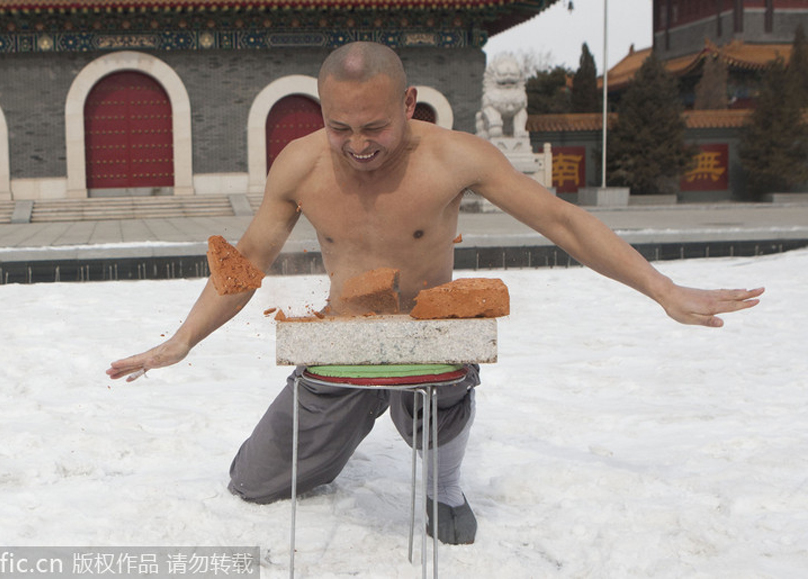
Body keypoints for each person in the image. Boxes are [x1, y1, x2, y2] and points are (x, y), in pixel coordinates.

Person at [107, 41, 763, 544]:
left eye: (374, 127)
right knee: (251, 483)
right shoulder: (301, 163)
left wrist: (662, 288)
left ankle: (443, 485)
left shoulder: (458, 157)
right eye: (342, 128)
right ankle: (348, 420)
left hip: (431, 338)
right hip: (341, 345)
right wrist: (183, 339)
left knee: (445, 387)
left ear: (407, 103)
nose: (359, 145)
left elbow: (563, 221)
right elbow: (248, 260)